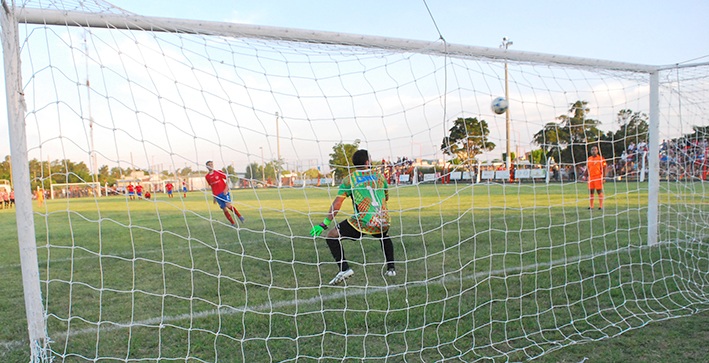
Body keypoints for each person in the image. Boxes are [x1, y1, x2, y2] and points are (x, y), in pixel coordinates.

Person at [310, 149, 396, 285]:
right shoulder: (380, 176)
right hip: (384, 219)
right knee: (383, 235)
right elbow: (386, 197)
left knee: (332, 236)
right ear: (368, 162)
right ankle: (391, 269)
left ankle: (344, 269)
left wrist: (324, 223)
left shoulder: (349, 180)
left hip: (364, 221)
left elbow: (337, 203)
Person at [205, 160, 244, 226]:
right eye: (209, 165)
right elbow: (212, 186)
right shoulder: (207, 177)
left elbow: (227, 179)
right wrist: (214, 197)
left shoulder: (218, 172)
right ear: (207, 167)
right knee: (224, 209)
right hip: (217, 195)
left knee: (228, 205)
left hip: (224, 193)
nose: (211, 165)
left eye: (211, 164)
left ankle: (240, 216)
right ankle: (232, 223)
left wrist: (226, 189)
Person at [585, 145, 607, 210]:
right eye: (592, 150)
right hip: (590, 177)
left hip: (598, 177)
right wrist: (584, 175)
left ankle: (600, 206)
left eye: (595, 149)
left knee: (599, 191)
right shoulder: (589, 159)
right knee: (591, 191)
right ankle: (591, 206)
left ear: (597, 151)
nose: (593, 151)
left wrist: (604, 177)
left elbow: (604, 168)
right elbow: (587, 168)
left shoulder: (601, 159)